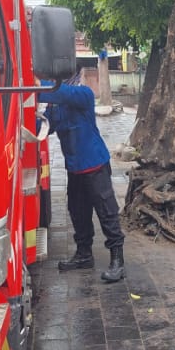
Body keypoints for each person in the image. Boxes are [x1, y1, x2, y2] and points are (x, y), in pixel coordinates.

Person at [40, 77, 126, 283]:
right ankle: (84, 254)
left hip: (95, 164)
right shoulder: (55, 109)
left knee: (107, 211)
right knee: (78, 212)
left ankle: (118, 261)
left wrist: (33, 84)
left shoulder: (84, 95)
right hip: (75, 168)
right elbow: (42, 126)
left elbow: (61, 94)